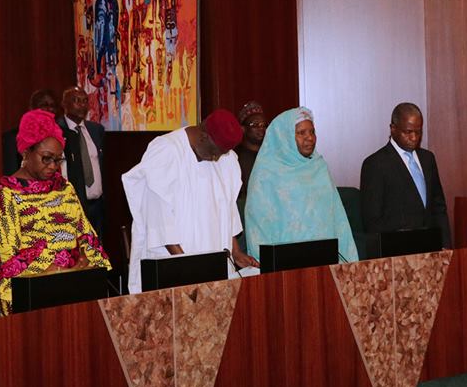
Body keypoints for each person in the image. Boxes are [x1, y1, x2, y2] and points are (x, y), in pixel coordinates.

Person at [0, 109, 111, 315]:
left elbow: (87, 235)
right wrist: (56, 271)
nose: (53, 166)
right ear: (25, 152)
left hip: (73, 286)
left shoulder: (65, 188)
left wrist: (85, 260)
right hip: (29, 293)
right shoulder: (5, 197)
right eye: (46, 158)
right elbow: (10, 259)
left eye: (58, 159)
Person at [122, 109, 257, 293]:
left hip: (210, 269)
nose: (217, 158)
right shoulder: (166, 151)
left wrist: (235, 251)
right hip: (172, 265)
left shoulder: (227, 159)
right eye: (215, 153)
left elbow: (227, 208)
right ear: (203, 137)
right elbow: (159, 221)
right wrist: (189, 269)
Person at [244, 107, 358, 263]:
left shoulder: (319, 166)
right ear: (285, 136)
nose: (310, 138)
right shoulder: (267, 173)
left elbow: (337, 219)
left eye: (312, 132)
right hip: (285, 263)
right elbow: (257, 226)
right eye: (301, 133)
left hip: (325, 259)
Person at [360, 102, 451, 256]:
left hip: (432, 251)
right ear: (393, 129)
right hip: (397, 254)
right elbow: (372, 220)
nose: (414, 137)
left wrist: (445, 244)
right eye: (408, 132)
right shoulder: (375, 164)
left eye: (418, 132)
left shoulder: (428, 159)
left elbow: (438, 207)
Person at [57, 87, 106, 238]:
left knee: (98, 252)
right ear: (64, 104)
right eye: (77, 101)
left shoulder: (96, 130)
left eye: (85, 101)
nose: (82, 105)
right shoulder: (57, 130)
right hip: (72, 206)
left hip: (97, 206)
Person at [1, 89, 58, 176]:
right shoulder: (13, 138)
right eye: (44, 105)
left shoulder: (60, 136)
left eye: (52, 105)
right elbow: (11, 174)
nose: (49, 109)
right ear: (32, 109)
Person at [235, 100, 267, 199]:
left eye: (264, 124)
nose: (261, 128)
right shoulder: (235, 157)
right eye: (255, 125)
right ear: (243, 129)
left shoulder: (270, 154)